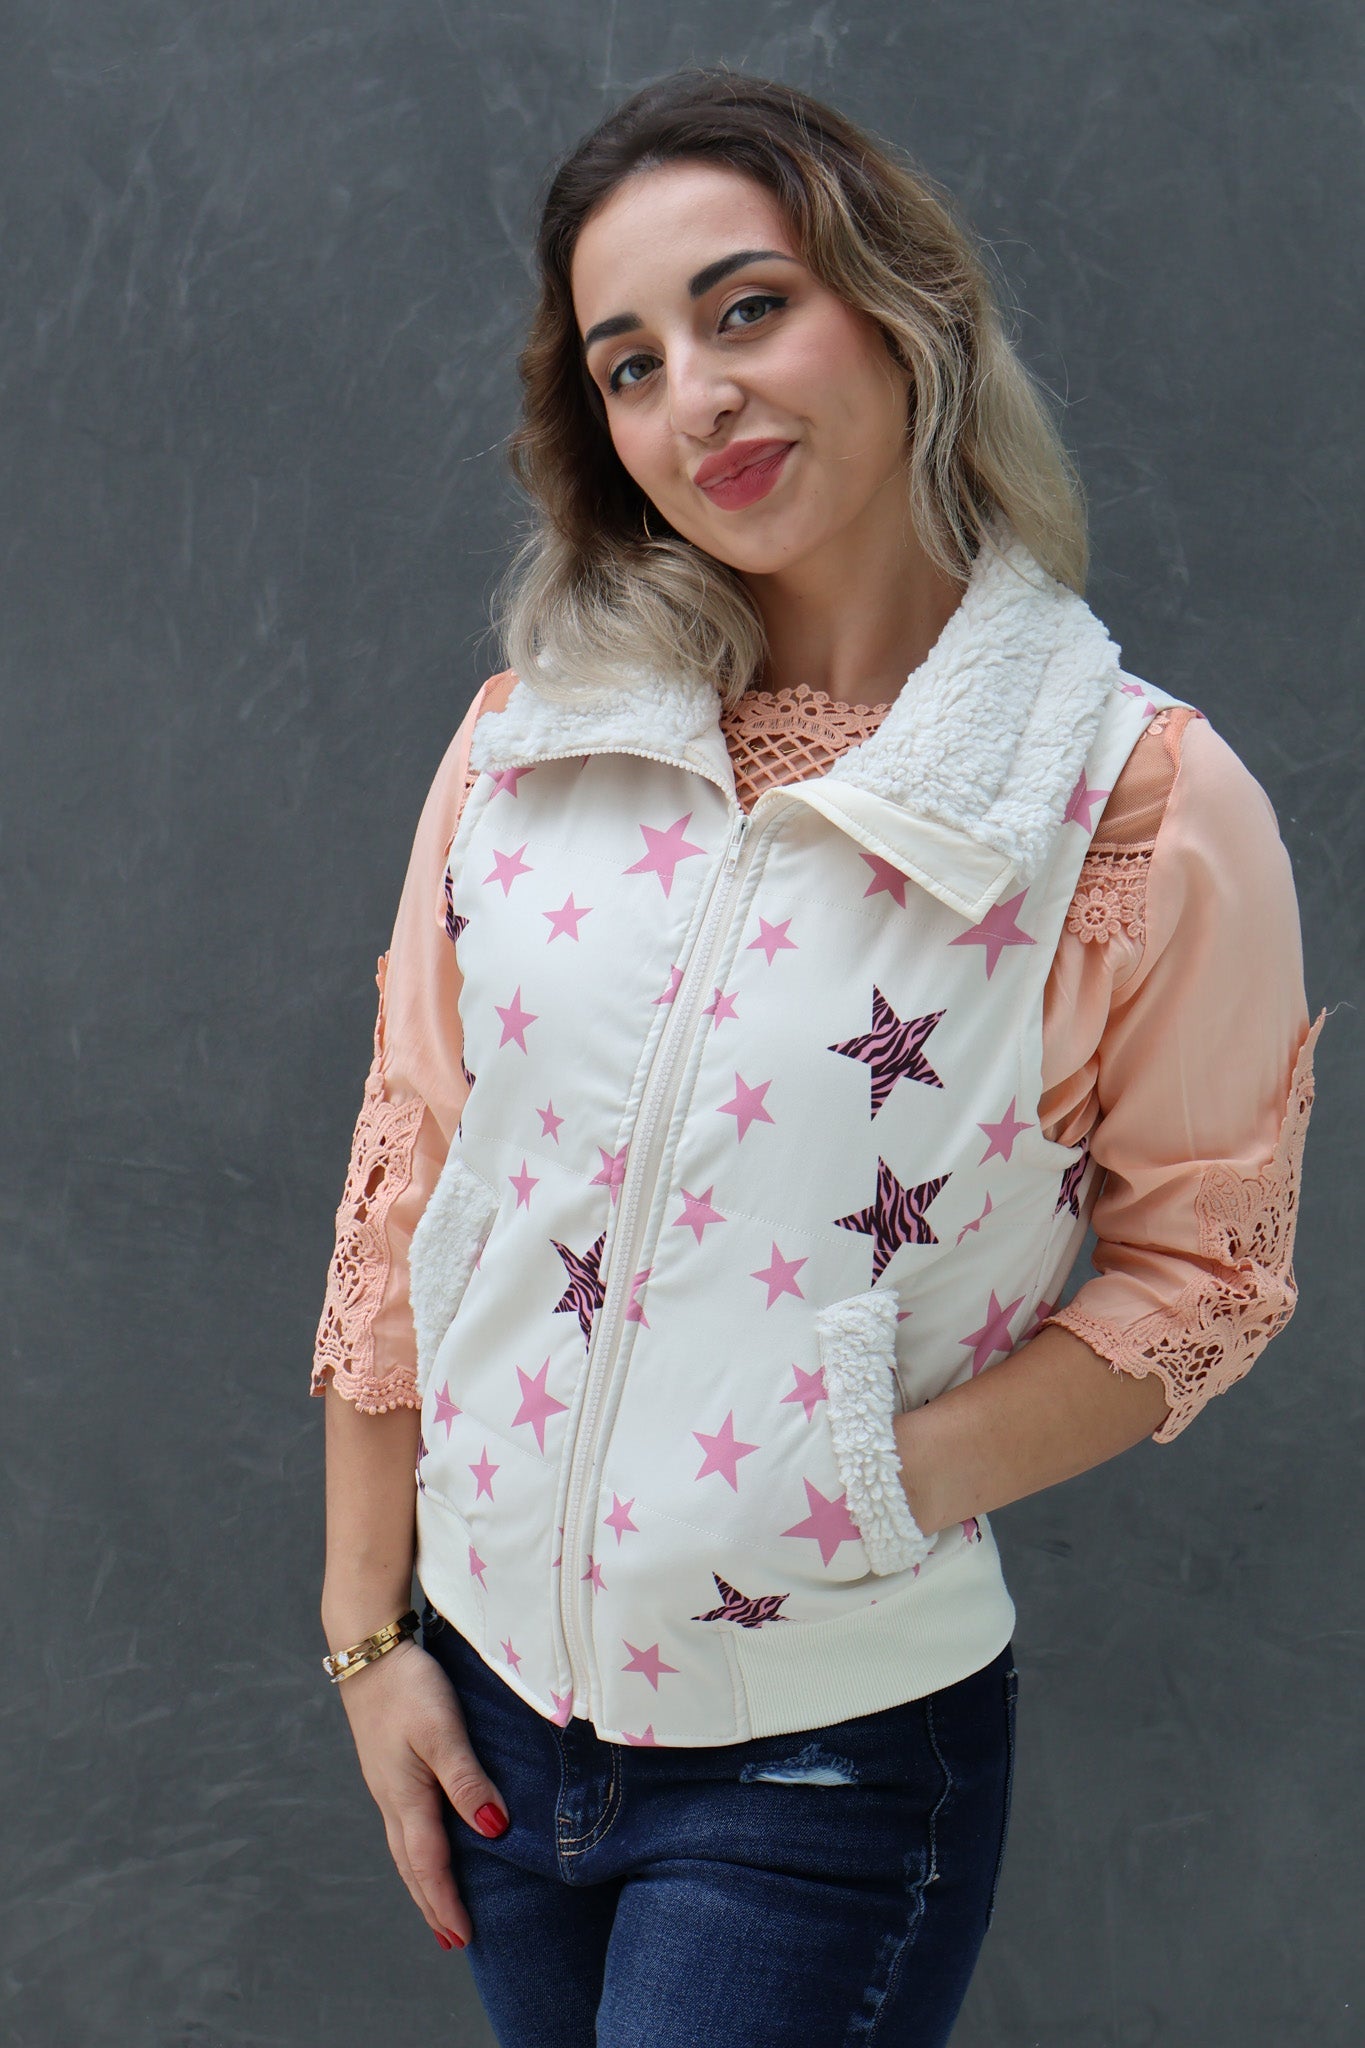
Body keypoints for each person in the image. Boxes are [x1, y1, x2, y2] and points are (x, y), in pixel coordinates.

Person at [311, 68, 1326, 2047]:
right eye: (628, 360)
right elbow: (407, 1173)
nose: (693, 393)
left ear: (902, 306)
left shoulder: (1131, 803)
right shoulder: (525, 744)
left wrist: (862, 1481)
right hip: (495, 1712)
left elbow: (1209, 1272)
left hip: (820, 1761)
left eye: (744, 306)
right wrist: (367, 1636)